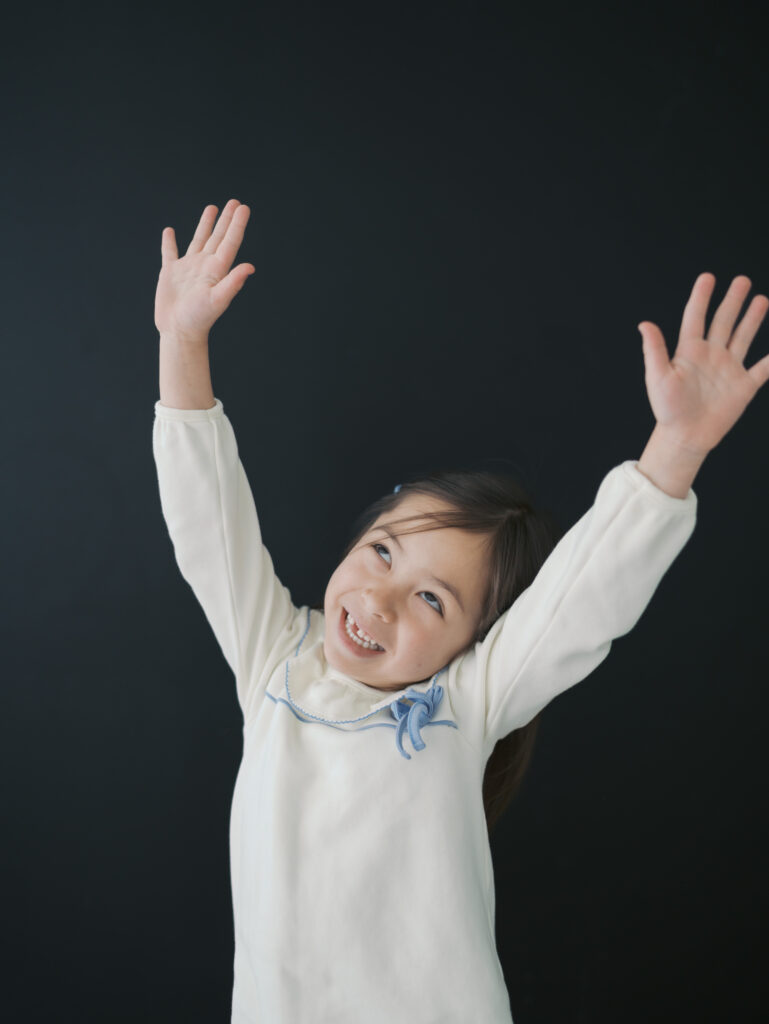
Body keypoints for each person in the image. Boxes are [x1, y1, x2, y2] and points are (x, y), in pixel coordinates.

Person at [152, 199, 769, 1024]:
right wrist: (182, 341)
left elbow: (583, 598)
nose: (377, 598)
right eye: (382, 550)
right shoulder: (275, 656)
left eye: (431, 600)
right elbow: (206, 516)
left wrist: (678, 447)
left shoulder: (463, 703)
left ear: (473, 644)